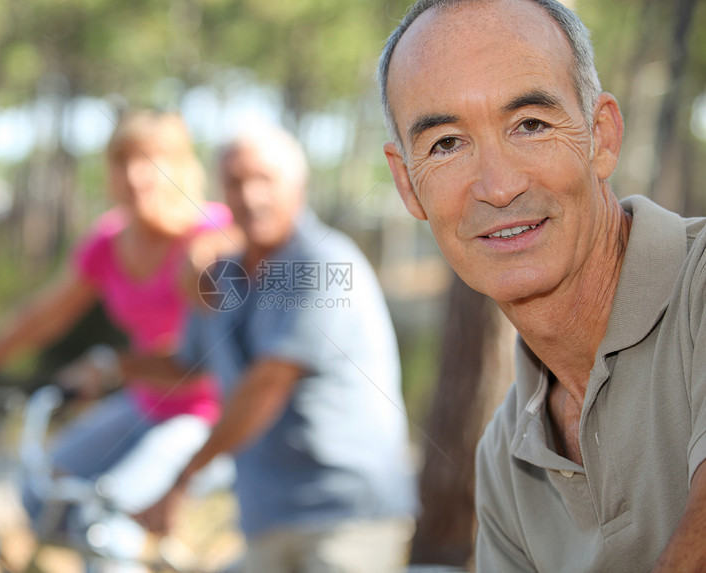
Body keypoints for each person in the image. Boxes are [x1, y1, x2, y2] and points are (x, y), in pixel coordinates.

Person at [378, 0, 706, 571]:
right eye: (447, 144)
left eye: (530, 124)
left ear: (600, 137)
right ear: (408, 186)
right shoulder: (505, 460)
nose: (499, 187)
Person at [0, 110, 238, 561]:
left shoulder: (211, 236)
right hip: (144, 405)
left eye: (152, 161)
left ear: (180, 168)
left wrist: (118, 365)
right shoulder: (109, 241)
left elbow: (216, 354)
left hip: (206, 418)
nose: (136, 176)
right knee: (43, 495)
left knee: (106, 519)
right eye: (122, 162)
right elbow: (43, 316)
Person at [125, 124, 417, 572]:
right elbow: (187, 364)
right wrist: (115, 367)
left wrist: (181, 480)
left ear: (298, 186)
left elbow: (266, 386)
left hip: (345, 519)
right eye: (236, 182)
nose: (251, 196)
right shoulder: (225, 274)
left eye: (264, 179)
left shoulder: (321, 263)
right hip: (267, 519)